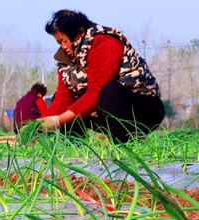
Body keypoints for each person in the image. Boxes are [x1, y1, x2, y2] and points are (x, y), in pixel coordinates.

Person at [39, 10, 164, 143]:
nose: (63, 47)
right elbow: (63, 99)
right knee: (58, 98)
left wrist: (58, 120)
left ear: (77, 34)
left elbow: (96, 91)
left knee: (110, 90)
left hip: (140, 108)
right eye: (59, 43)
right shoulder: (66, 58)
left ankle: (122, 142)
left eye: (64, 41)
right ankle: (75, 146)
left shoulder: (104, 42)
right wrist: (38, 126)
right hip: (103, 112)